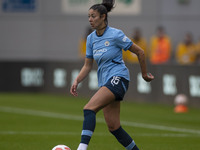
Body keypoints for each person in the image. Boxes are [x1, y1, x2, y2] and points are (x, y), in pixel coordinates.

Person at [70, 0, 154, 150]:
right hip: (106, 82)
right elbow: (87, 65)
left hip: (119, 78)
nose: (90, 19)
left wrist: (144, 74)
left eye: (93, 16)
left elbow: (140, 52)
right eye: (88, 16)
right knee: (114, 127)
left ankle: (81, 148)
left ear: (103, 17)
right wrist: (77, 80)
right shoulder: (90, 39)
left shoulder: (115, 34)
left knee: (89, 109)